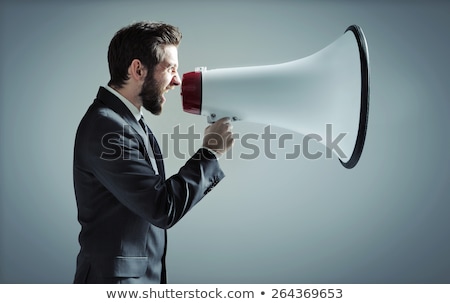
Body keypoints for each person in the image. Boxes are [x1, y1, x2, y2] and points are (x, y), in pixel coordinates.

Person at [73, 21, 234, 284]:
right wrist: (209, 153)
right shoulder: (107, 126)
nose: (178, 80)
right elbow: (162, 208)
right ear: (138, 69)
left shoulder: (127, 122)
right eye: (170, 68)